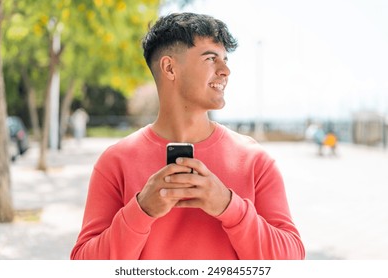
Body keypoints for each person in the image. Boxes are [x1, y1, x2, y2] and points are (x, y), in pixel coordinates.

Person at [70, 12, 305, 260]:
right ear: (169, 68)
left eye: (225, 59)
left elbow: (291, 260)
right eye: (211, 58)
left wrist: (229, 206)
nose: (225, 70)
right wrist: (141, 210)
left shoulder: (255, 160)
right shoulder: (115, 161)